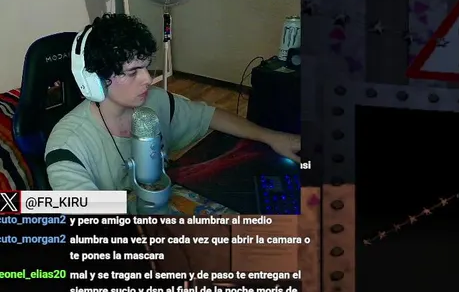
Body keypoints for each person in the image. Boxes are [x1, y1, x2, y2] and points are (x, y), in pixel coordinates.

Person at [45, 13, 301, 191]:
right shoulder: (68, 146)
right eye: (133, 72)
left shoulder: (155, 101)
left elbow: (209, 116)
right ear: (94, 80)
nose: (148, 79)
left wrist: (272, 137)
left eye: (146, 67)